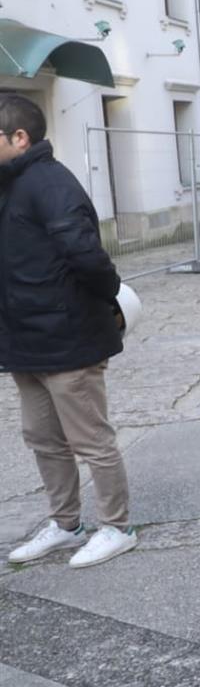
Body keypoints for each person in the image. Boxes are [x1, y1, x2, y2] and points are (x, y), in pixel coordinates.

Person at [1, 93, 138, 569]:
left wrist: (111, 295)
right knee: (42, 438)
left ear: (19, 138)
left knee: (91, 440)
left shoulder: (50, 183)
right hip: (26, 342)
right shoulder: (9, 185)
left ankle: (116, 527)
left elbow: (86, 256)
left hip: (68, 338)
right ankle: (65, 524)